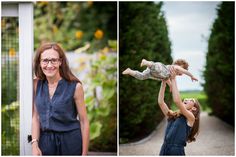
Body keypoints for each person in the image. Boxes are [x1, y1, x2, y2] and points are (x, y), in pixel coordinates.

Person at [31, 42, 90, 155]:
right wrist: (34, 144)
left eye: (53, 60)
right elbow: (36, 117)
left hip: (71, 142)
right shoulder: (36, 84)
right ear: (39, 62)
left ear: (60, 61)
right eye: (45, 60)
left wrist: (84, 154)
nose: (49, 65)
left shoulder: (75, 87)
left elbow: (84, 121)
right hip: (46, 143)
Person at [158, 73, 200, 155]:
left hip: (176, 150)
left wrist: (173, 79)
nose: (186, 99)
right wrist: (163, 84)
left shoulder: (190, 118)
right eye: (187, 98)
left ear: (193, 108)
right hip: (164, 148)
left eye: (191, 100)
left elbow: (177, 101)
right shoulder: (173, 115)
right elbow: (161, 102)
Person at [122, 59, 198, 91]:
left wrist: (171, 86)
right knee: (156, 68)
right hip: (158, 68)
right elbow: (184, 71)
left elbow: (166, 79)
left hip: (153, 74)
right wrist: (191, 76)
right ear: (179, 65)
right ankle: (146, 62)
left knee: (142, 76)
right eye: (181, 71)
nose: (181, 73)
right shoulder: (175, 67)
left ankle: (130, 71)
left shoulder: (170, 74)